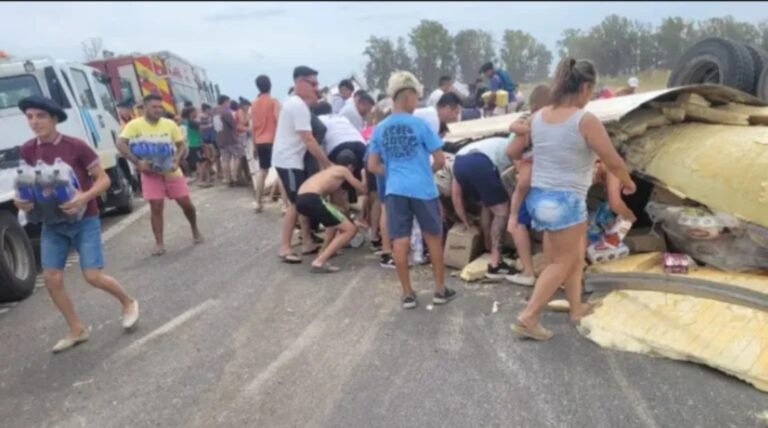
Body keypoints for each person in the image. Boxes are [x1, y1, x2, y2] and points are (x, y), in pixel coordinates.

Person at [506, 58, 635, 341]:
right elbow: (612, 160)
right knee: (562, 263)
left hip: (539, 199)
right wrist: (627, 182)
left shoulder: (538, 117)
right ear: (585, 87)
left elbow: (511, 150)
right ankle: (528, 317)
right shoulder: (584, 120)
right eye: (592, 90)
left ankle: (577, 309)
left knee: (573, 258)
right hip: (566, 202)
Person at [15, 96, 139, 353]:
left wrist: (83, 196)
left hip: (85, 219)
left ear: (53, 119)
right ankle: (77, 329)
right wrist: (20, 202)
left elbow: (103, 180)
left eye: (40, 116)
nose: (35, 122)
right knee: (52, 278)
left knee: (92, 275)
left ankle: (127, 302)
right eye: (30, 117)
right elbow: (26, 185)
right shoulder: (28, 150)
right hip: (52, 223)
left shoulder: (76, 146)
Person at [367, 71, 456, 310]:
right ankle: (439, 290)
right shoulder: (420, 125)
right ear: (408, 96)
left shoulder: (380, 128)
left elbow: (372, 165)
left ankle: (407, 293)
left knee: (400, 240)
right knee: (433, 238)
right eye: (416, 97)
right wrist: (423, 170)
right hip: (423, 190)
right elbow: (439, 160)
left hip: (395, 190)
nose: (417, 103)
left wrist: (395, 172)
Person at [116, 94, 203, 256]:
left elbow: (181, 145)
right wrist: (136, 161)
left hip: (171, 171)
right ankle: (159, 243)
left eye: (160, 107)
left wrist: (177, 158)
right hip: (150, 174)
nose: (158, 110)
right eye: (154, 107)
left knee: (186, 204)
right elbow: (120, 143)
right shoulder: (134, 125)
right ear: (145, 108)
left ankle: (195, 229)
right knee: (156, 206)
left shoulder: (169, 124)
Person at [273, 65, 332, 264]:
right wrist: (327, 163)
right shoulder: (297, 105)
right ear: (299, 83)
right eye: (312, 83)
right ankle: (285, 247)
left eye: (317, 84)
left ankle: (307, 241)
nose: (316, 88)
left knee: (302, 200)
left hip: (294, 160)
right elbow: (309, 140)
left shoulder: (297, 104)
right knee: (296, 204)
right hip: (288, 161)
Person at [505, 85, 552, 287]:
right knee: (551, 227)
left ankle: (529, 271)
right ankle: (551, 273)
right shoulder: (552, 122)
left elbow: (512, 153)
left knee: (517, 223)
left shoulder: (531, 121)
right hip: (548, 181)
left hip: (529, 176)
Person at [451, 136, 514, 279]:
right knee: (502, 211)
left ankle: (487, 245)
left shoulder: (468, 151)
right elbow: (511, 181)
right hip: (481, 163)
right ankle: (495, 262)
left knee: (487, 205)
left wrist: (465, 221)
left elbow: (456, 195)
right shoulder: (511, 147)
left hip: (460, 164)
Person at [295, 152, 367, 273]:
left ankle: (323, 252)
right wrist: (364, 176)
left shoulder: (329, 171)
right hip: (312, 198)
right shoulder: (343, 170)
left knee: (335, 220)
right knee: (350, 230)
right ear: (350, 166)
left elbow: (339, 208)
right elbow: (363, 189)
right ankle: (319, 261)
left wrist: (347, 216)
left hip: (301, 199)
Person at [314, 101, 367, 213]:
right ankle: (366, 216)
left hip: (338, 146)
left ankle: (342, 215)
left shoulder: (318, 120)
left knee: (337, 183)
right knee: (365, 181)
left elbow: (319, 146)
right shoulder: (341, 117)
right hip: (360, 144)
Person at [251, 74, 287, 213]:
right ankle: (285, 205)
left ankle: (258, 202)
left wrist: (254, 145)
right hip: (275, 141)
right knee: (281, 172)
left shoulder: (253, 104)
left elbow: (253, 127)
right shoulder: (274, 102)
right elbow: (280, 121)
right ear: (270, 85)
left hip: (260, 142)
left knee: (262, 171)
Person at [211, 95, 241, 186]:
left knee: (225, 159)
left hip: (219, 138)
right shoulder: (225, 112)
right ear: (225, 101)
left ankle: (227, 178)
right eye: (228, 102)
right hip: (230, 138)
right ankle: (235, 177)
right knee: (237, 157)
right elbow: (233, 125)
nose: (229, 104)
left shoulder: (214, 111)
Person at [181, 106, 209, 186]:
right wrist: (210, 125)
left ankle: (201, 178)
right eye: (195, 111)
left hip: (191, 144)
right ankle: (201, 180)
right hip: (196, 144)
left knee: (199, 162)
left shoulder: (185, 122)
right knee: (203, 161)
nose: (196, 113)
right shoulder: (192, 122)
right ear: (191, 113)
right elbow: (200, 130)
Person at [198, 103, 217, 185]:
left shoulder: (208, 116)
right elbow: (200, 127)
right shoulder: (201, 117)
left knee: (211, 157)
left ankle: (210, 173)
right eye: (209, 109)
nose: (210, 111)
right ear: (206, 109)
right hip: (205, 139)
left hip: (210, 138)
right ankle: (207, 176)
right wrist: (210, 125)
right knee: (208, 158)